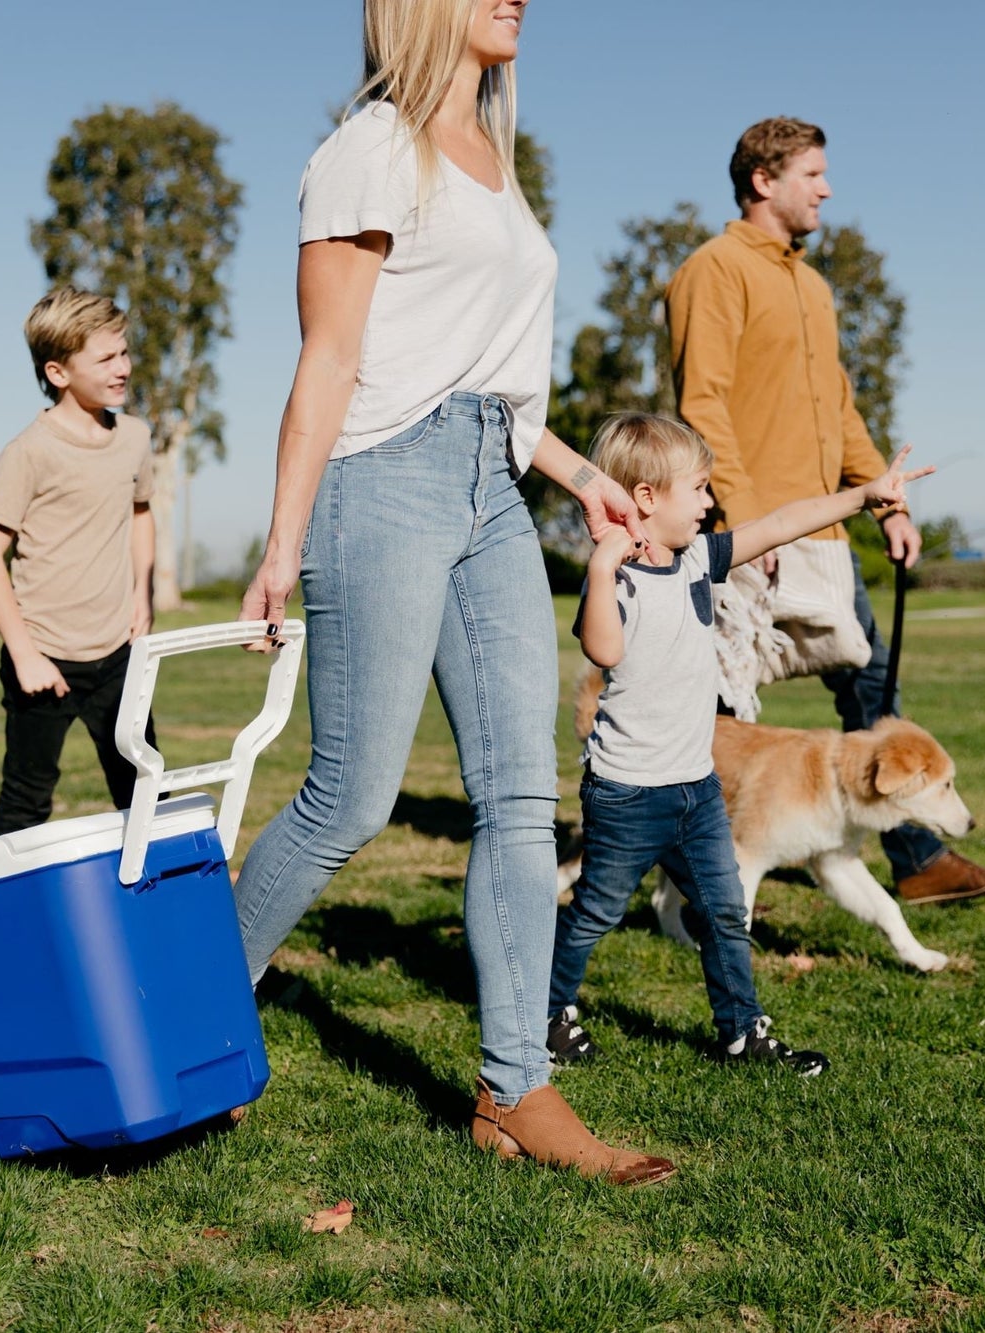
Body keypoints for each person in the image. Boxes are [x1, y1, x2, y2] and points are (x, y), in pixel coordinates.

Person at [234, 0, 672, 1186]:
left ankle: (514, 1089)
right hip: (379, 479)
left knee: (521, 795)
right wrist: (280, 543)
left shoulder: (495, 160)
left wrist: (583, 478)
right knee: (351, 797)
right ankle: (197, 1005)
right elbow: (330, 359)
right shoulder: (368, 150)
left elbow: (492, 380)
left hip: (491, 486)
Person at [664, 116, 985, 907]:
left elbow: (839, 408)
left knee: (873, 691)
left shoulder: (813, 288)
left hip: (826, 532)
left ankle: (918, 858)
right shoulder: (713, 270)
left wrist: (884, 499)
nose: (827, 190)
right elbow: (703, 406)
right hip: (744, 537)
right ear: (764, 180)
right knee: (713, 713)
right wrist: (746, 523)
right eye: (813, 175)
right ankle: (694, 871)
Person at [551, 413, 930, 1075]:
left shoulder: (699, 558)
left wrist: (862, 497)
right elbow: (602, 650)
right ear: (646, 498)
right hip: (627, 794)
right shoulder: (617, 578)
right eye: (699, 489)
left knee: (725, 911)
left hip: (696, 790)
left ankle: (741, 1034)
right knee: (595, 912)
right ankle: (547, 1014)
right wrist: (605, 564)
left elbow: (782, 523)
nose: (709, 502)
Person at [0, 286, 156, 839]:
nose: (123, 367)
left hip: (118, 657)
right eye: (106, 358)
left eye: (124, 352)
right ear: (58, 372)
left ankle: (159, 889)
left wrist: (142, 594)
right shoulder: (28, 452)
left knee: (145, 791)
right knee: (26, 803)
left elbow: (141, 512)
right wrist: (25, 654)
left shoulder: (135, 438)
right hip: (43, 660)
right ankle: (1, 895)